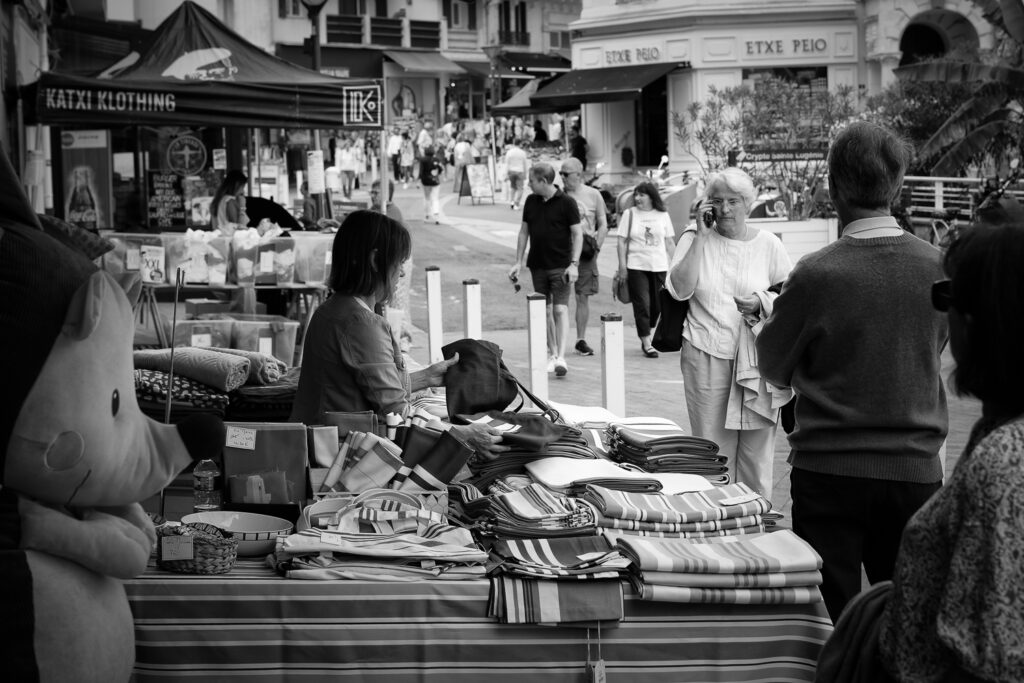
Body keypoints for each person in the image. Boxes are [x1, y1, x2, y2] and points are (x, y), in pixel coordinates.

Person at [815, 204, 1024, 683]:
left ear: (984, 321)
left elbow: (992, 660)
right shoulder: (994, 432)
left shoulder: (1005, 463)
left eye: (948, 297)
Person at [756, 121, 948, 623]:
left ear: (832, 187)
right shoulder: (938, 266)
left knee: (831, 620)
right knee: (909, 620)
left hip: (829, 473)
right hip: (916, 471)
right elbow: (938, 344)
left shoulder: (817, 273)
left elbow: (772, 364)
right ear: (899, 185)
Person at [290, 210, 507, 458]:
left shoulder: (332, 309)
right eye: (399, 263)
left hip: (316, 446)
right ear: (375, 261)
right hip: (338, 457)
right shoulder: (360, 323)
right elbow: (396, 415)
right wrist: (465, 435)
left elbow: (364, 386)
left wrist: (426, 377)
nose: (401, 273)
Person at [666, 167, 792, 499]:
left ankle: (755, 519)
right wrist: (700, 237)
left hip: (756, 359)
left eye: (733, 201)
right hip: (705, 351)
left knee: (756, 451)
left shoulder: (769, 245)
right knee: (711, 448)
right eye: (717, 200)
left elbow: (792, 297)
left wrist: (762, 302)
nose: (724, 209)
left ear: (747, 204)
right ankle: (716, 519)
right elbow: (679, 290)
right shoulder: (694, 238)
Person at [508, 163, 582, 377]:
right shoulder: (531, 201)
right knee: (545, 310)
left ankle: (561, 357)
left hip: (561, 264)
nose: (528, 184)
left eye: (531, 180)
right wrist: (518, 262)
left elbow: (577, 234)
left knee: (560, 310)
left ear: (543, 181)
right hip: (537, 264)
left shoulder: (567, 203)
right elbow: (524, 233)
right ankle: (552, 353)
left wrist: (574, 264)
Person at [619, 181, 677, 357]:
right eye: (635, 194)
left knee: (658, 306)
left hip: (659, 266)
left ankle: (648, 328)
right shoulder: (629, 214)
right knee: (642, 304)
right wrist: (622, 266)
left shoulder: (662, 214)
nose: (637, 198)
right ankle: (646, 341)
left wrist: (676, 265)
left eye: (641, 195)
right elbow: (621, 241)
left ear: (651, 197)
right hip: (636, 265)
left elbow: (669, 241)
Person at [559, 157, 608, 356]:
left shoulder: (593, 194)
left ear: (578, 175)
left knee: (582, 296)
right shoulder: (558, 195)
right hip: (562, 252)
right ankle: (556, 342)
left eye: (565, 174)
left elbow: (603, 222)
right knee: (559, 299)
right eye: (560, 173)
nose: (561, 177)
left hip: (586, 253)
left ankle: (581, 339)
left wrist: (597, 246)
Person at [210, 169, 248, 234]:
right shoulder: (230, 201)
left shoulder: (218, 200)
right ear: (236, 185)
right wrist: (242, 207)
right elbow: (239, 228)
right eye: (242, 187)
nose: (242, 191)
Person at [419, 146, 444, 224]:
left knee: (427, 198)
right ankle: (436, 215)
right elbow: (440, 169)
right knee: (435, 198)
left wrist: (418, 180)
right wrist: (437, 174)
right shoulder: (436, 159)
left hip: (425, 181)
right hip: (435, 181)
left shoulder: (422, 160)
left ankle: (427, 215)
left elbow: (421, 171)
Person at [504, 139, 529, 211]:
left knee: (513, 187)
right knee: (520, 188)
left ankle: (511, 201)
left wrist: (506, 174)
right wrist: (525, 173)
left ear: (513, 143)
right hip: (520, 171)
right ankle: (516, 203)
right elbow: (525, 164)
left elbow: (507, 164)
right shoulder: (522, 153)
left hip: (511, 171)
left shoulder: (509, 152)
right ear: (520, 144)